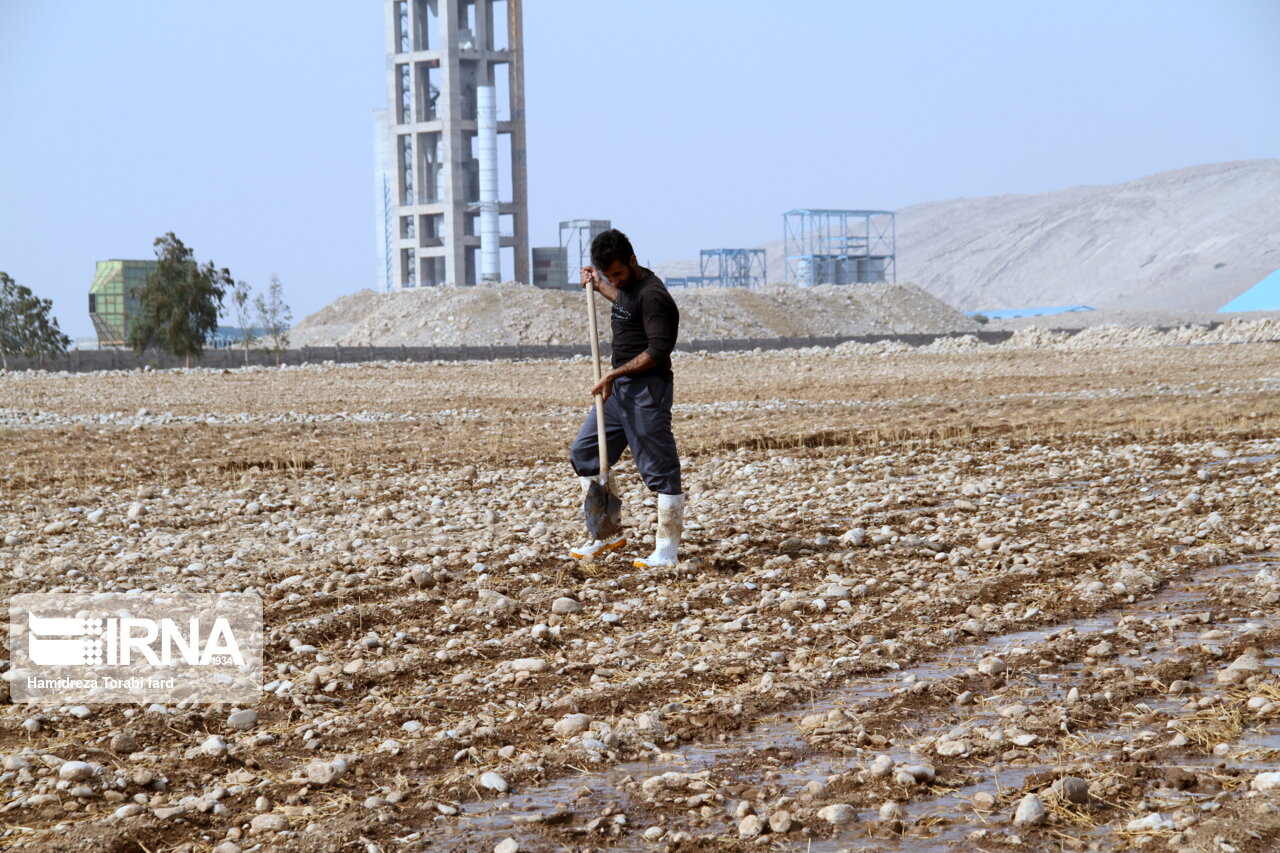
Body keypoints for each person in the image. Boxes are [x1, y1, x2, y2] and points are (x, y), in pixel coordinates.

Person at [568, 228, 685, 568]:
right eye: (608, 275)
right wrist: (598, 284)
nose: (614, 281)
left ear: (633, 261)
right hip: (619, 391)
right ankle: (606, 533)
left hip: (647, 389)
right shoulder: (626, 288)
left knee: (660, 468)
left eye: (617, 274)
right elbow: (624, 304)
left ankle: (666, 551)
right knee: (585, 453)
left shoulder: (654, 296)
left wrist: (613, 374)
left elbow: (659, 350)